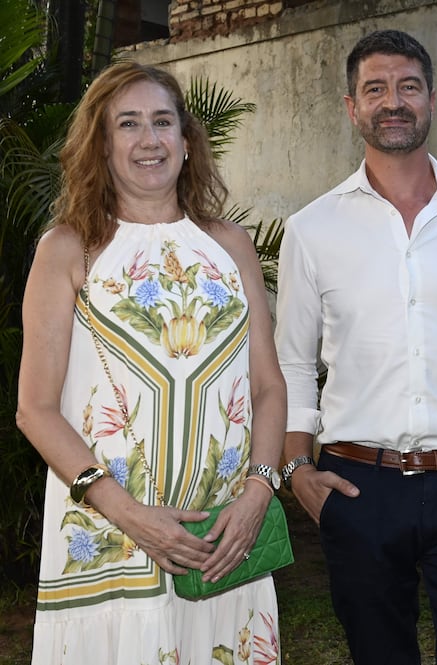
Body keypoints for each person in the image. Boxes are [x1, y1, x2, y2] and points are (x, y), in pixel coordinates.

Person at [274, 29, 437, 665]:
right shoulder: (311, 230)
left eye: (408, 87)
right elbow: (292, 360)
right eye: (376, 89)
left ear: (432, 99)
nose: (393, 101)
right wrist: (297, 470)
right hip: (358, 486)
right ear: (351, 107)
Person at [16, 62, 287, 664]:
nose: (149, 139)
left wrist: (257, 495)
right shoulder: (68, 249)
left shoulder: (230, 245)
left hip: (224, 537)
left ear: (187, 141)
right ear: (102, 145)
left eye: (163, 121)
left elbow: (269, 386)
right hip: (112, 537)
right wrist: (132, 516)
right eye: (128, 124)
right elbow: (34, 410)